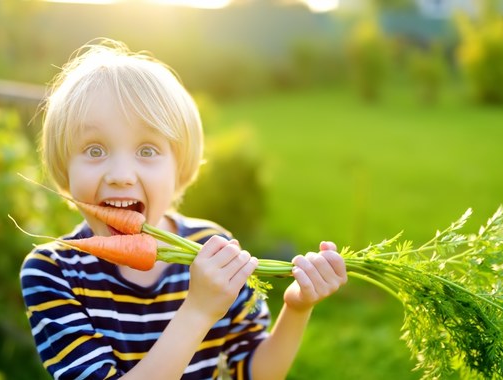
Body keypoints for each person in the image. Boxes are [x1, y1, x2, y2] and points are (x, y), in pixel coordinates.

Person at [20, 38, 347, 380]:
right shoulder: (53, 271)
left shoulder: (213, 246)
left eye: (147, 150)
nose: (120, 176)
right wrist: (198, 311)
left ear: (180, 169)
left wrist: (296, 308)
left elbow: (255, 373)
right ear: (64, 168)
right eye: (94, 149)